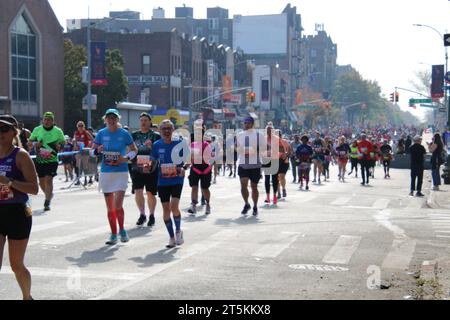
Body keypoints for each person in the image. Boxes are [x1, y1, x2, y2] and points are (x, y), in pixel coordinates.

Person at [0, 115, 39, 300]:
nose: (0, 133)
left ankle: (27, 297)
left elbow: (34, 188)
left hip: (17, 213)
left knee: (16, 265)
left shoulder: (20, 155)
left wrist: (9, 182)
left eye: (4, 129)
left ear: (14, 132)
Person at [92, 109, 138, 245]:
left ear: (118, 119)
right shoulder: (101, 133)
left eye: (114, 118)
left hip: (121, 172)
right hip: (106, 173)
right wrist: (97, 150)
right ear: (105, 119)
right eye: (109, 118)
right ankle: (113, 234)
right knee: (110, 208)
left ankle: (122, 230)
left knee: (118, 205)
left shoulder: (124, 133)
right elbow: (91, 152)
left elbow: (134, 150)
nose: (111, 120)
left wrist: (124, 159)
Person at [151, 119, 187, 248]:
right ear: (160, 130)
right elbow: (153, 161)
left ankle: (178, 230)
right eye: (164, 129)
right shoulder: (156, 145)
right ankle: (171, 237)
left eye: (169, 128)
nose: (166, 131)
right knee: (165, 209)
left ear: (173, 130)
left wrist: (184, 168)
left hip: (177, 179)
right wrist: (146, 166)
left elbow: (188, 159)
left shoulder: (180, 143)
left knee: (174, 207)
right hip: (162, 181)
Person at [28, 112, 65, 211]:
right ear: (42, 120)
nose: (47, 121)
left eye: (49, 120)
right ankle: (49, 195)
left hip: (52, 160)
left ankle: (47, 202)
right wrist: (36, 143)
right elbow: (30, 143)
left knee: (49, 179)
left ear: (53, 121)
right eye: (45, 119)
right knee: (41, 182)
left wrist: (60, 146)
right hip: (40, 160)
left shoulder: (58, 131)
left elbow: (63, 143)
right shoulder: (37, 130)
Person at [131, 113, 161, 227]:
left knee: (150, 193)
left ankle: (152, 215)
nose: (143, 122)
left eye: (145, 120)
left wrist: (151, 147)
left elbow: (159, 152)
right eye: (141, 120)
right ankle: (142, 214)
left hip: (151, 167)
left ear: (150, 122)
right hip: (137, 167)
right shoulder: (134, 135)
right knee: (138, 191)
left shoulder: (156, 136)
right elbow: (129, 149)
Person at [236, 117, 265, 216]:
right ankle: (247, 203)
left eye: (248, 123)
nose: (246, 125)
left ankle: (255, 206)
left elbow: (264, 148)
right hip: (243, 164)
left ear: (252, 124)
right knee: (243, 185)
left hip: (255, 164)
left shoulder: (259, 135)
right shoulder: (240, 135)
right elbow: (237, 148)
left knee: (254, 186)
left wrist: (254, 150)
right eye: (245, 123)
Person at [187, 120, 213, 215]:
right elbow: (189, 157)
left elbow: (209, 157)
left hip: (205, 169)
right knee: (194, 187)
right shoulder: (192, 145)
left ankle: (208, 204)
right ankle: (193, 205)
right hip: (195, 168)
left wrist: (199, 156)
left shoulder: (206, 144)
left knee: (205, 188)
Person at [262, 123, 279, 205]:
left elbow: (281, 149)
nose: (269, 131)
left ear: (273, 131)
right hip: (266, 160)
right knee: (267, 179)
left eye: (270, 130)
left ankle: (275, 196)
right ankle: (268, 196)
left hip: (275, 160)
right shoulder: (263, 139)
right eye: (267, 130)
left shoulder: (276, 139)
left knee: (275, 179)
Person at [73, 121, 94, 186]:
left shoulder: (86, 133)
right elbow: (74, 140)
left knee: (85, 165)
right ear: (77, 127)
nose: (80, 127)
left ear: (84, 126)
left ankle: (86, 179)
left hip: (85, 151)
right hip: (78, 151)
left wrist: (89, 146)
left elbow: (92, 139)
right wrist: (75, 145)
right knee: (78, 166)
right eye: (79, 126)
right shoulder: (76, 133)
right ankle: (78, 180)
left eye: (82, 125)